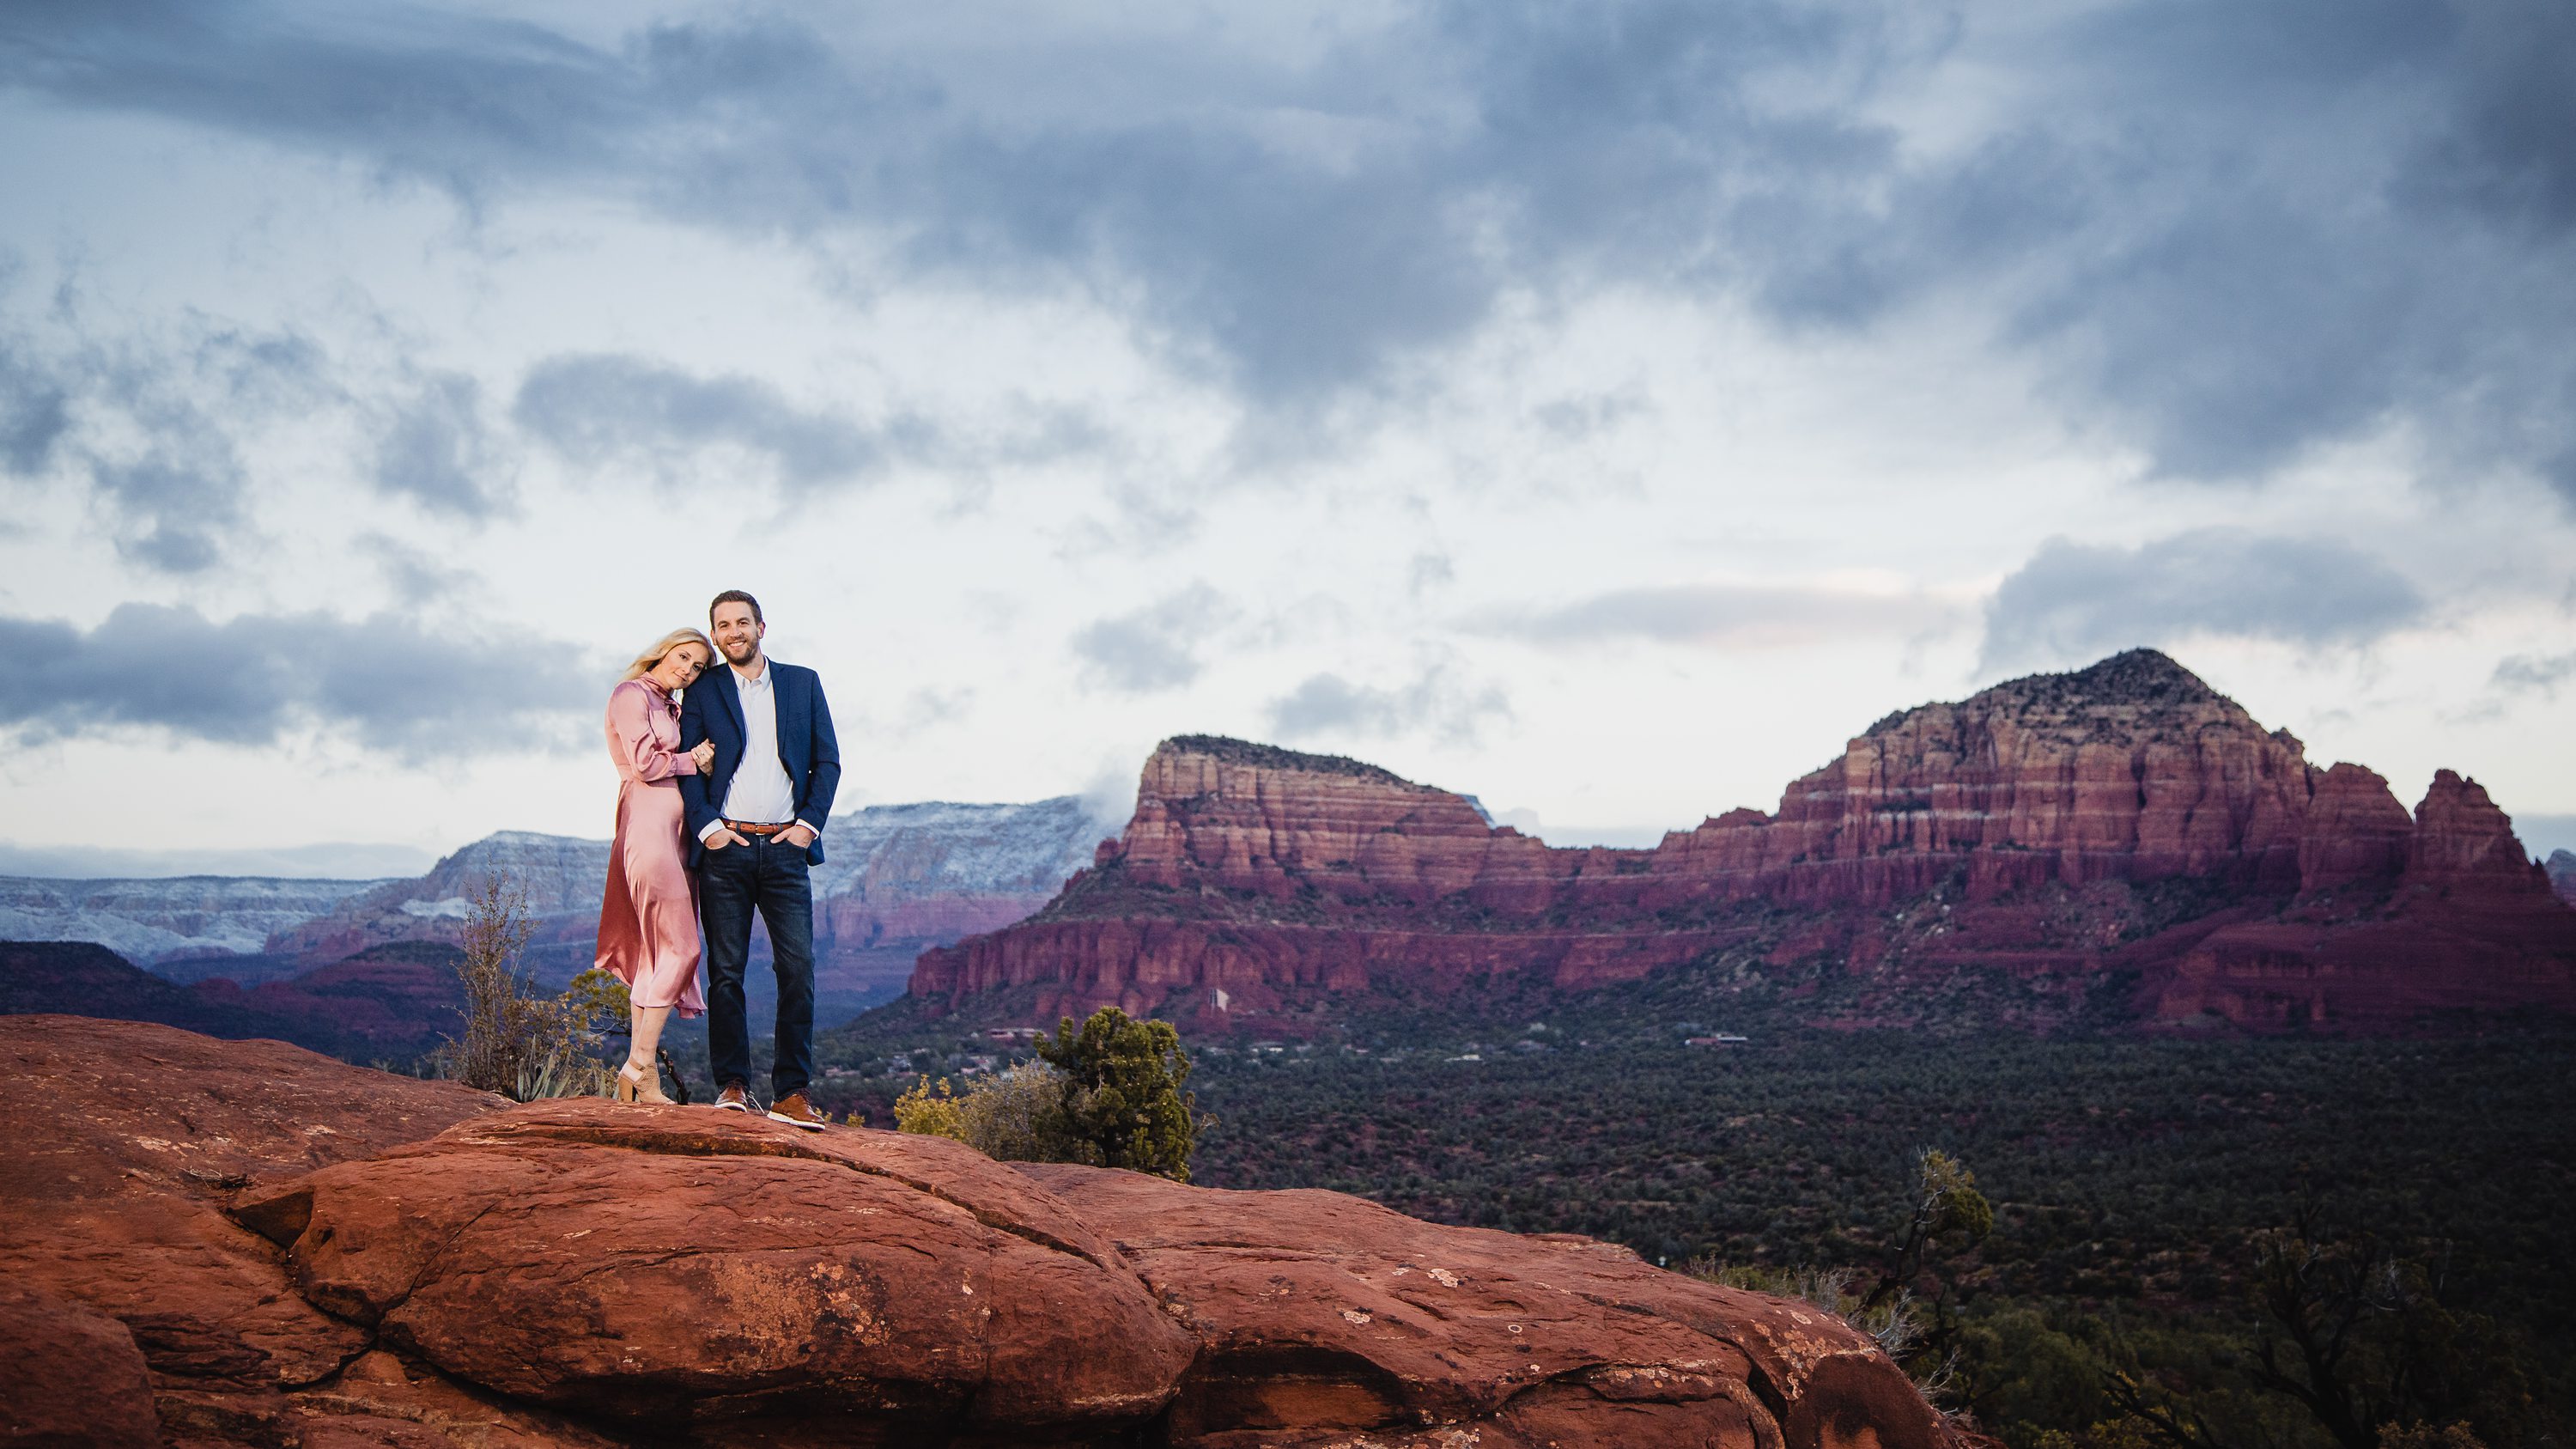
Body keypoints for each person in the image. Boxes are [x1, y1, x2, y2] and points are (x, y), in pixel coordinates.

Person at [677, 590, 841, 1129]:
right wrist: (708, 830)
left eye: (741, 622)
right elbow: (687, 768)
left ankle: (792, 1094)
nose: (733, 633)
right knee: (726, 973)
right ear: (716, 635)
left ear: (761, 627)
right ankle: (732, 1086)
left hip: (786, 851)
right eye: (722, 626)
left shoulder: (802, 682)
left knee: (797, 969)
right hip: (727, 851)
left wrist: (806, 827)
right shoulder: (704, 690)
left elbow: (827, 762)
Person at [596, 629, 719, 1105]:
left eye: (696, 667)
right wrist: (695, 759)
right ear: (663, 651)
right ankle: (639, 1066)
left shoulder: (667, 702)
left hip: (675, 836)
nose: (686, 670)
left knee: (655, 953)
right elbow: (646, 765)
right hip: (647, 829)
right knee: (684, 948)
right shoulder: (631, 694)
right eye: (683, 657)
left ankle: (639, 1077)